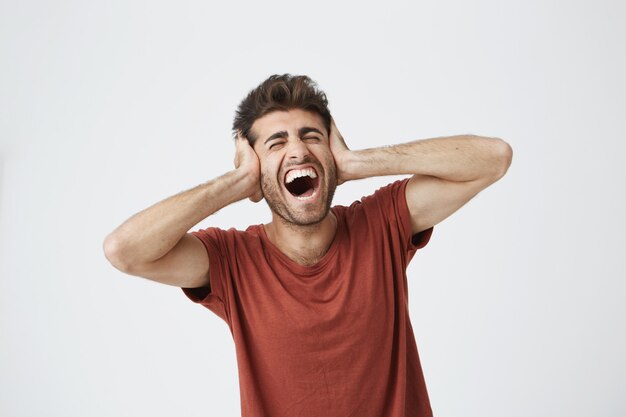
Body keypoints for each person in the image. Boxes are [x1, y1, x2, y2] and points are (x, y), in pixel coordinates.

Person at [103, 74, 513, 417]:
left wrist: (359, 162)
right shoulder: (232, 261)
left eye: (311, 136)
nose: (298, 149)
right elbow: (124, 250)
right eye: (275, 143)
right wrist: (236, 184)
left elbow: (494, 158)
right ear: (253, 164)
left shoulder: (381, 223)